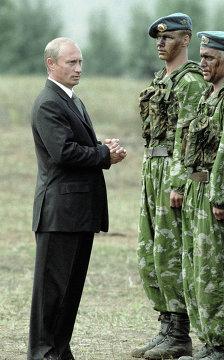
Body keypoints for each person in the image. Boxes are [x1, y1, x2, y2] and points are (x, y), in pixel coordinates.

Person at [28, 37, 127, 360]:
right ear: (51, 64)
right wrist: (103, 154)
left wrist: (102, 146)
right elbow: (62, 152)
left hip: (77, 212)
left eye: (80, 62)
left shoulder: (70, 99)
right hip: (59, 212)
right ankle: (43, 352)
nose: (78, 68)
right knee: (51, 293)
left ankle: (58, 349)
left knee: (70, 290)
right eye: (71, 62)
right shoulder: (48, 102)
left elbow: (74, 141)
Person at [132, 13, 207, 360]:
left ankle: (180, 331)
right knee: (152, 251)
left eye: (169, 37)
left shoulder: (190, 81)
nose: (161, 44)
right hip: (153, 165)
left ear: (186, 40)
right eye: (158, 39)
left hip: (172, 169)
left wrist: (179, 180)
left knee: (172, 248)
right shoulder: (161, 79)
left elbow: (189, 135)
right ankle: (166, 323)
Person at [180, 31, 224, 360]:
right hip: (197, 189)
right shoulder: (210, 96)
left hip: (214, 193)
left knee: (215, 271)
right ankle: (209, 341)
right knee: (196, 269)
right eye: (201, 56)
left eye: (209, 58)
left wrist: (222, 197)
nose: (202, 64)